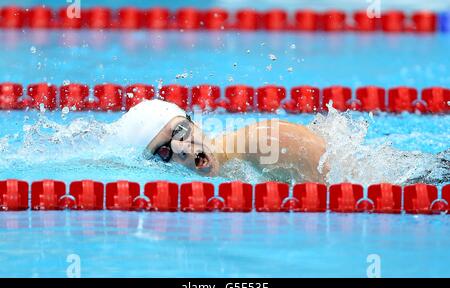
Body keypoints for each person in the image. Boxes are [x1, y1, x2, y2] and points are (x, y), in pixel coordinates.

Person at [114, 99, 448, 185]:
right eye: (163, 152)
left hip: (420, 175)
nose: (182, 150)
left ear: (195, 121)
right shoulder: (232, 167)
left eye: (181, 133)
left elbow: (345, 185)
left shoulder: (264, 142)